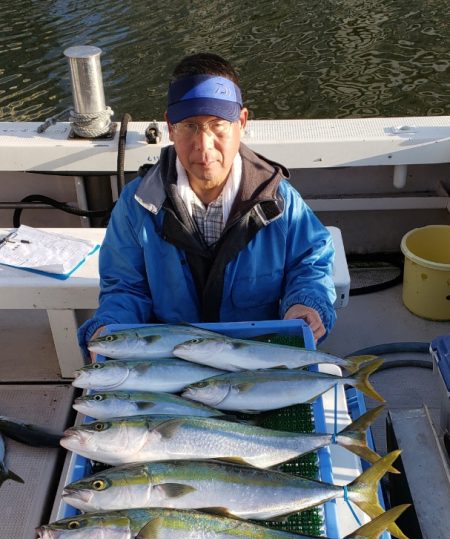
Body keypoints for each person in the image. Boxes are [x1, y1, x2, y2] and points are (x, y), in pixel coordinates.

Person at [78, 52, 336, 356]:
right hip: (173, 358)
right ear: (170, 127)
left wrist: (307, 302)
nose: (204, 146)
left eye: (217, 124)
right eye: (189, 126)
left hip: (256, 353)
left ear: (241, 122)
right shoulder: (137, 206)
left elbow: (310, 264)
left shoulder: (279, 202)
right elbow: (124, 287)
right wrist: (112, 328)